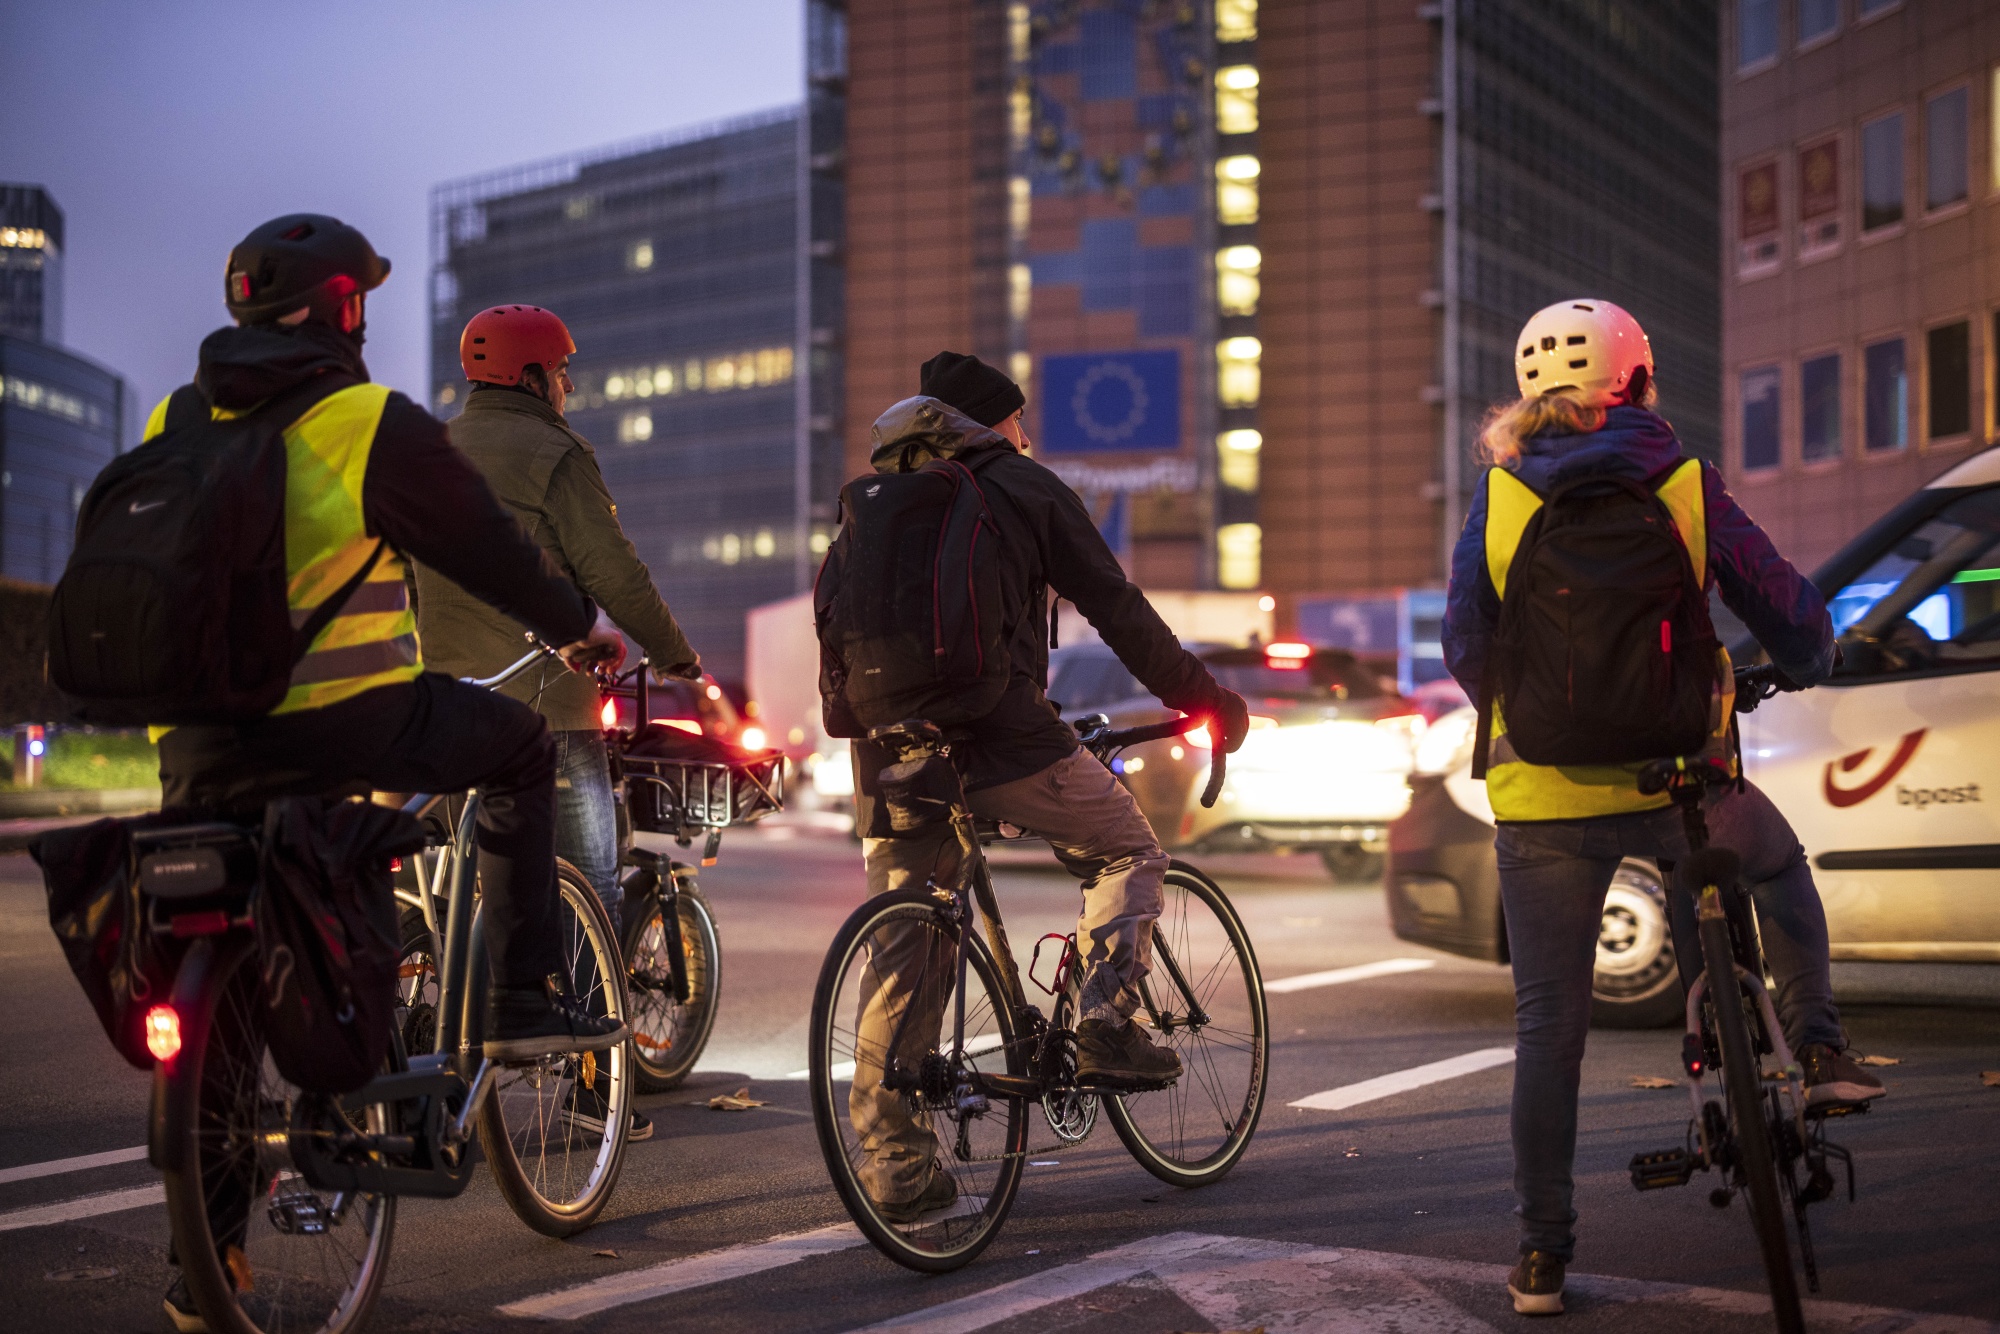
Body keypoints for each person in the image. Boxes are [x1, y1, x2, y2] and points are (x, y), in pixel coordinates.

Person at [150, 215, 629, 1332]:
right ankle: (519, 997)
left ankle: (206, 1260)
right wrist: (578, 628)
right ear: (345, 311)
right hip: (343, 721)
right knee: (515, 746)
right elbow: (482, 547)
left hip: (198, 743)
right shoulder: (364, 419)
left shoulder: (176, 416)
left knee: (218, 954)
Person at [1441, 298, 1886, 1317]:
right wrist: (1808, 658)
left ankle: (1539, 1256)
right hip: (1680, 781)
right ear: (1638, 382)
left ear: (1527, 393)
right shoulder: (1680, 479)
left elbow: (1465, 643)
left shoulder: (1500, 492)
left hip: (1540, 796)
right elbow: (1776, 596)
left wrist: (1543, 718)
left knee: (1548, 1028)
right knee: (1773, 866)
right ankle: (1817, 1046)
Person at [820, 351, 1250, 1222]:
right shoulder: (1021, 483)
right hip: (1003, 738)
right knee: (1127, 847)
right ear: (995, 423)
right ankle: (1103, 1021)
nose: (1028, 434)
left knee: (905, 947)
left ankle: (895, 1167)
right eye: (1020, 420)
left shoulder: (876, 498)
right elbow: (1117, 608)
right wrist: (1206, 699)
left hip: (891, 747)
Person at [415, 303, 703, 1142]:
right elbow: (614, 572)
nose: (571, 385)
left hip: (444, 703)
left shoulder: (431, 453)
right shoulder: (556, 453)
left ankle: (429, 1043)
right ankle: (591, 1084)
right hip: (546, 703)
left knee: (454, 880)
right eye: (564, 372)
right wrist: (678, 654)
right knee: (590, 875)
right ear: (534, 378)